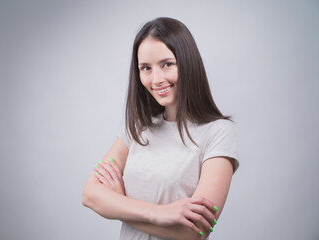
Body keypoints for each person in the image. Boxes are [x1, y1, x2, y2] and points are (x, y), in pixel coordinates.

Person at [82, 17, 239, 240]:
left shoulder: (218, 133)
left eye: (167, 64)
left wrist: (120, 205)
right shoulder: (137, 128)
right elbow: (90, 195)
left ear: (187, 62)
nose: (156, 79)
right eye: (146, 68)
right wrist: (159, 214)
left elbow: (194, 231)